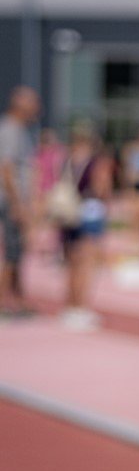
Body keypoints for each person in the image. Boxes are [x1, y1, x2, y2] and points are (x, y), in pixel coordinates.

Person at [52, 121, 115, 331]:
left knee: (71, 264)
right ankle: (81, 308)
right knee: (86, 264)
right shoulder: (96, 162)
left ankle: (70, 307)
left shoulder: (67, 160)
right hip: (89, 213)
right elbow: (101, 188)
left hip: (69, 214)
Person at [0, 85, 41, 317]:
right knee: (12, 252)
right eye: (33, 103)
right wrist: (18, 204)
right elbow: (5, 169)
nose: (37, 108)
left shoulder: (20, 130)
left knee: (17, 251)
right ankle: (3, 301)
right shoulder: (10, 130)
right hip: (11, 202)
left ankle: (17, 299)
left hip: (14, 201)